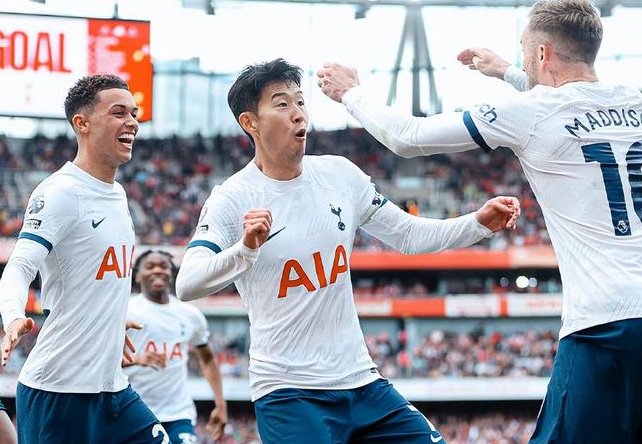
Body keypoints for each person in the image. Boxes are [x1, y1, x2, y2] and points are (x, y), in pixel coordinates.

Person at [317, 1, 642, 443]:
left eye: (525, 50)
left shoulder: (531, 112)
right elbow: (573, 101)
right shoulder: (633, 100)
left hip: (605, 324)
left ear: (542, 54)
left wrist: (351, 93)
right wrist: (507, 71)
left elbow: (409, 137)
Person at [175, 58, 520, 444]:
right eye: (282, 104)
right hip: (289, 392)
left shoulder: (339, 174)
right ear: (250, 122)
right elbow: (187, 284)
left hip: (361, 382)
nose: (298, 113)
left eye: (300, 101)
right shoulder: (231, 198)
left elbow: (407, 235)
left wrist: (477, 223)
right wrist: (245, 250)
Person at [0, 75, 170, 444]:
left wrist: (110, 320)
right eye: (119, 113)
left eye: (134, 113)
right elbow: (20, 267)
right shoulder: (60, 193)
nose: (132, 122)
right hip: (58, 391)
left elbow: (95, 275)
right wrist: (12, 316)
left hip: (113, 388)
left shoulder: (118, 194)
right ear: (83, 123)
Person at [125, 250, 227, 444]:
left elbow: (207, 358)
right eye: (150, 266)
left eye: (163, 266)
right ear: (137, 275)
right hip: (136, 411)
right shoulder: (127, 310)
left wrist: (220, 404)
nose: (157, 270)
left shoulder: (190, 315)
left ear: (171, 273)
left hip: (179, 413)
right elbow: (104, 359)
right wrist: (137, 360)